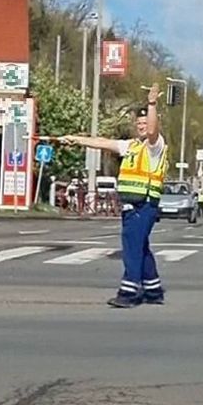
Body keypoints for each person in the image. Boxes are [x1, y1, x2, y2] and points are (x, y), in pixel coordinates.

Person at [61, 83, 168, 308]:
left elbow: (152, 131)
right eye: (138, 123)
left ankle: (129, 292)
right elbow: (103, 143)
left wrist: (151, 104)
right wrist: (76, 139)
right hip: (131, 206)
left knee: (131, 247)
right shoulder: (130, 146)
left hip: (144, 205)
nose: (142, 126)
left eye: (145, 122)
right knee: (140, 246)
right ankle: (153, 289)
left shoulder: (155, 146)